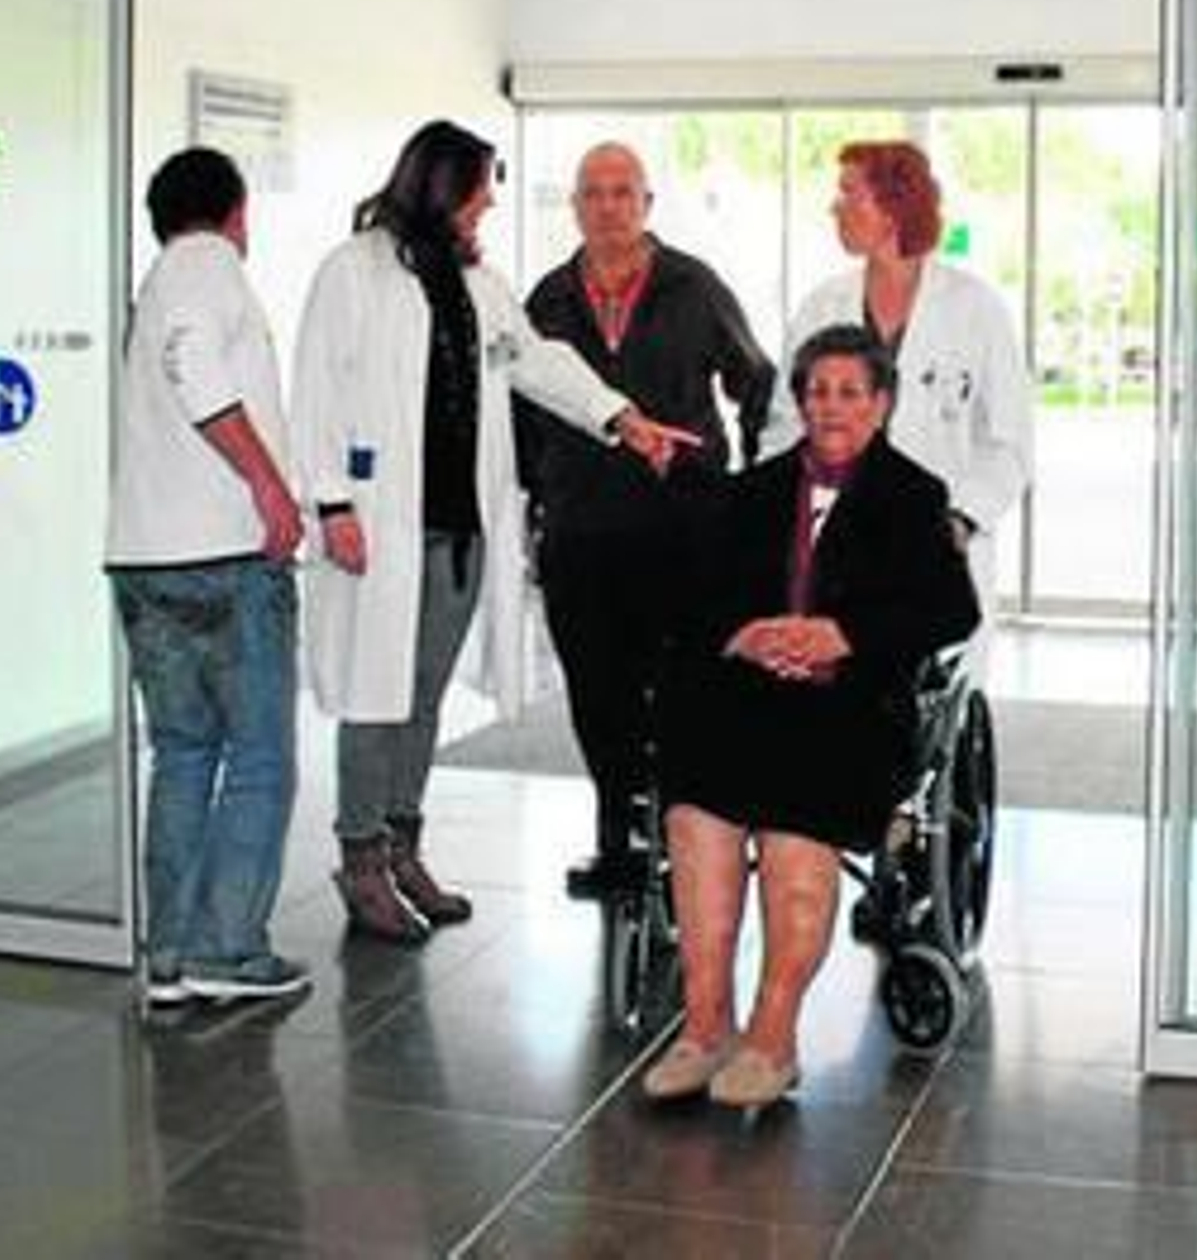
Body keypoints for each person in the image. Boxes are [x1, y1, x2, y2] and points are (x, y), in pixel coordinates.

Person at [292, 120, 699, 945]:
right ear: (441, 187)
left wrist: (622, 418)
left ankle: (404, 843)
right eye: (481, 190)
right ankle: (360, 860)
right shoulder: (354, 273)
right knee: (376, 698)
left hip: (460, 532)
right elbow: (315, 392)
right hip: (377, 527)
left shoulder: (479, 285)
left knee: (422, 696)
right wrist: (329, 503)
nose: (489, 206)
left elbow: (540, 362)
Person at [646, 324, 979, 1108]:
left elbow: (948, 609)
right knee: (698, 809)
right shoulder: (752, 492)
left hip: (850, 705)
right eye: (818, 391)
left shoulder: (913, 495)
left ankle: (771, 1035)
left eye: (850, 392)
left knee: (797, 819)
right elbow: (694, 600)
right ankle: (703, 1027)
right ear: (799, 401)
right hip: (750, 694)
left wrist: (842, 633)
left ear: (882, 403)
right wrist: (746, 634)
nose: (831, 406)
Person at [519, 141, 775, 899]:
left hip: (684, 529)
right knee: (598, 692)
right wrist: (542, 488)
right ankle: (619, 842)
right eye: (593, 192)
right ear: (575, 207)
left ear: (647, 203)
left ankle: (686, 840)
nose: (608, 205)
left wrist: (744, 487)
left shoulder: (694, 285)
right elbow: (522, 402)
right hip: (581, 533)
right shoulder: (547, 299)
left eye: (622, 191)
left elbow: (753, 379)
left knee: (682, 689)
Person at [106, 146, 308, 1005]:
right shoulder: (208, 270)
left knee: (185, 753)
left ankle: (172, 956)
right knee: (260, 757)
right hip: (222, 559)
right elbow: (198, 368)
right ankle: (226, 949)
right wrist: (267, 480)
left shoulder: (158, 280)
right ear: (235, 212)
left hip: (147, 558)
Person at [767, 139, 1032, 617]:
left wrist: (959, 521)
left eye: (848, 193)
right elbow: (785, 426)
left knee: (931, 680)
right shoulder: (821, 307)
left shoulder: (975, 309)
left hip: (938, 542)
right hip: (833, 539)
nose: (835, 207)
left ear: (892, 207)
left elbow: (1010, 444)